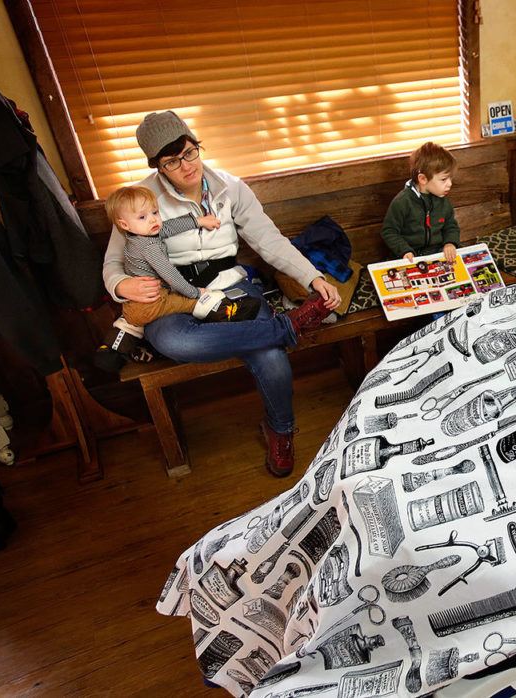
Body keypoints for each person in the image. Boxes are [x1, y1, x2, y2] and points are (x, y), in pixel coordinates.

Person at [156, 190, 516, 697]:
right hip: (366, 486)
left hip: (431, 566)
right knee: (336, 507)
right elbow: (410, 370)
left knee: (375, 560)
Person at [102, 111, 342, 477]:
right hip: (170, 296)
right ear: (157, 166)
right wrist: (122, 286)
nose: (186, 166)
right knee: (179, 342)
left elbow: (268, 239)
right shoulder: (139, 200)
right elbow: (112, 264)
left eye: (189, 152)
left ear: (196, 145)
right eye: (172, 161)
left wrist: (313, 278)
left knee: (271, 357)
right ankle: (287, 327)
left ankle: (280, 429)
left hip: (229, 285)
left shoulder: (231, 187)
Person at [94, 185, 262, 372]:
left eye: (155, 212)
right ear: (124, 225)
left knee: (133, 323)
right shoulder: (149, 247)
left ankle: (116, 349)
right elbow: (171, 275)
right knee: (190, 302)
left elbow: (170, 226)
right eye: (143, 217)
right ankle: (226, 310)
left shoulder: (141, 234)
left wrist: (199, 221)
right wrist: (195, 293)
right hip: (153, 301)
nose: (153, 220)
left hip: (137, 305)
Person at [380, 141, 461, 264]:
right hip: (410, 255)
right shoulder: (403, 201)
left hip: (437, 253)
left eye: (450, 178)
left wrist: (450, 243)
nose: (449, 184)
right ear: (423, 179)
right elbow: (389, 231)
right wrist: (404, 251)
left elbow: (451, 226)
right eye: (444, 179)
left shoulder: (443, 201)